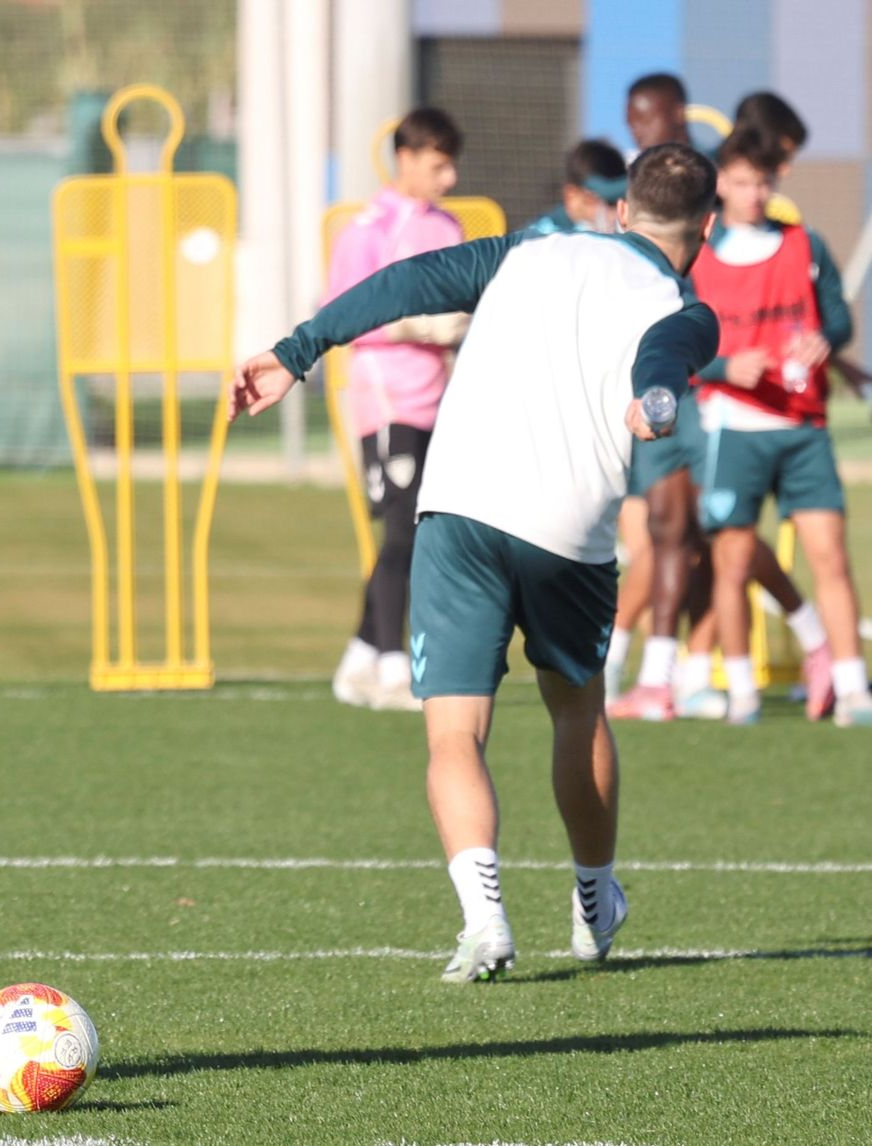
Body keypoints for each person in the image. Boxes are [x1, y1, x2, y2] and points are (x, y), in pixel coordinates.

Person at [233, 144, 721, 982]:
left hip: (458, 508)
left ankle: (484, 918)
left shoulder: (528, 248)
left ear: (620, 209)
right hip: (567, 535)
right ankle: (594, 897)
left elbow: (408, 283)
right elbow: (663, 364)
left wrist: (297, 350)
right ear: (705, 229)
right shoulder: (683, 301)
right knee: (578, 715)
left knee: (455, 729)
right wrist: (657, 403)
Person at [689, 128, 872, 727]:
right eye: (742, 181)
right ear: (720, 182)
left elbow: (839, 318)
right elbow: (676, 339)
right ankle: (739, 690)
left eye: (764, 181)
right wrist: (724, 366)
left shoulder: (804, 243)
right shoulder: (700, 251)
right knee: (733, 561)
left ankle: (852, 689)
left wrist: (826, 338)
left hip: (802, 426)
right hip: (732, 426)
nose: (754, 193)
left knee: (830, 556)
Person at [328, 107, 467, 712]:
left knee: (421, 530)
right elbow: (343, 312)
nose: (449, 178)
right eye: (438, 165)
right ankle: (390, 666)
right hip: (387, 397)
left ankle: (360, 657)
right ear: (406, 158)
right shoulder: (367, 229)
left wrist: (457, 324)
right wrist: (414, 324)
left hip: (439, 396)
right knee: (400, 530)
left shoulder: (450, 227)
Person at [528, 139, 627, 235]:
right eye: (592, 200)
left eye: (614, 204)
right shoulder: (537, 239)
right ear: (570, 195)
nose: (608, 214)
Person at [626, 73, 691, 155]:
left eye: (646, 121)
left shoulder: (709, 163)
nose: (637, 133)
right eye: (631, 125)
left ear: (679, 113)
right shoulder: (628, 166)